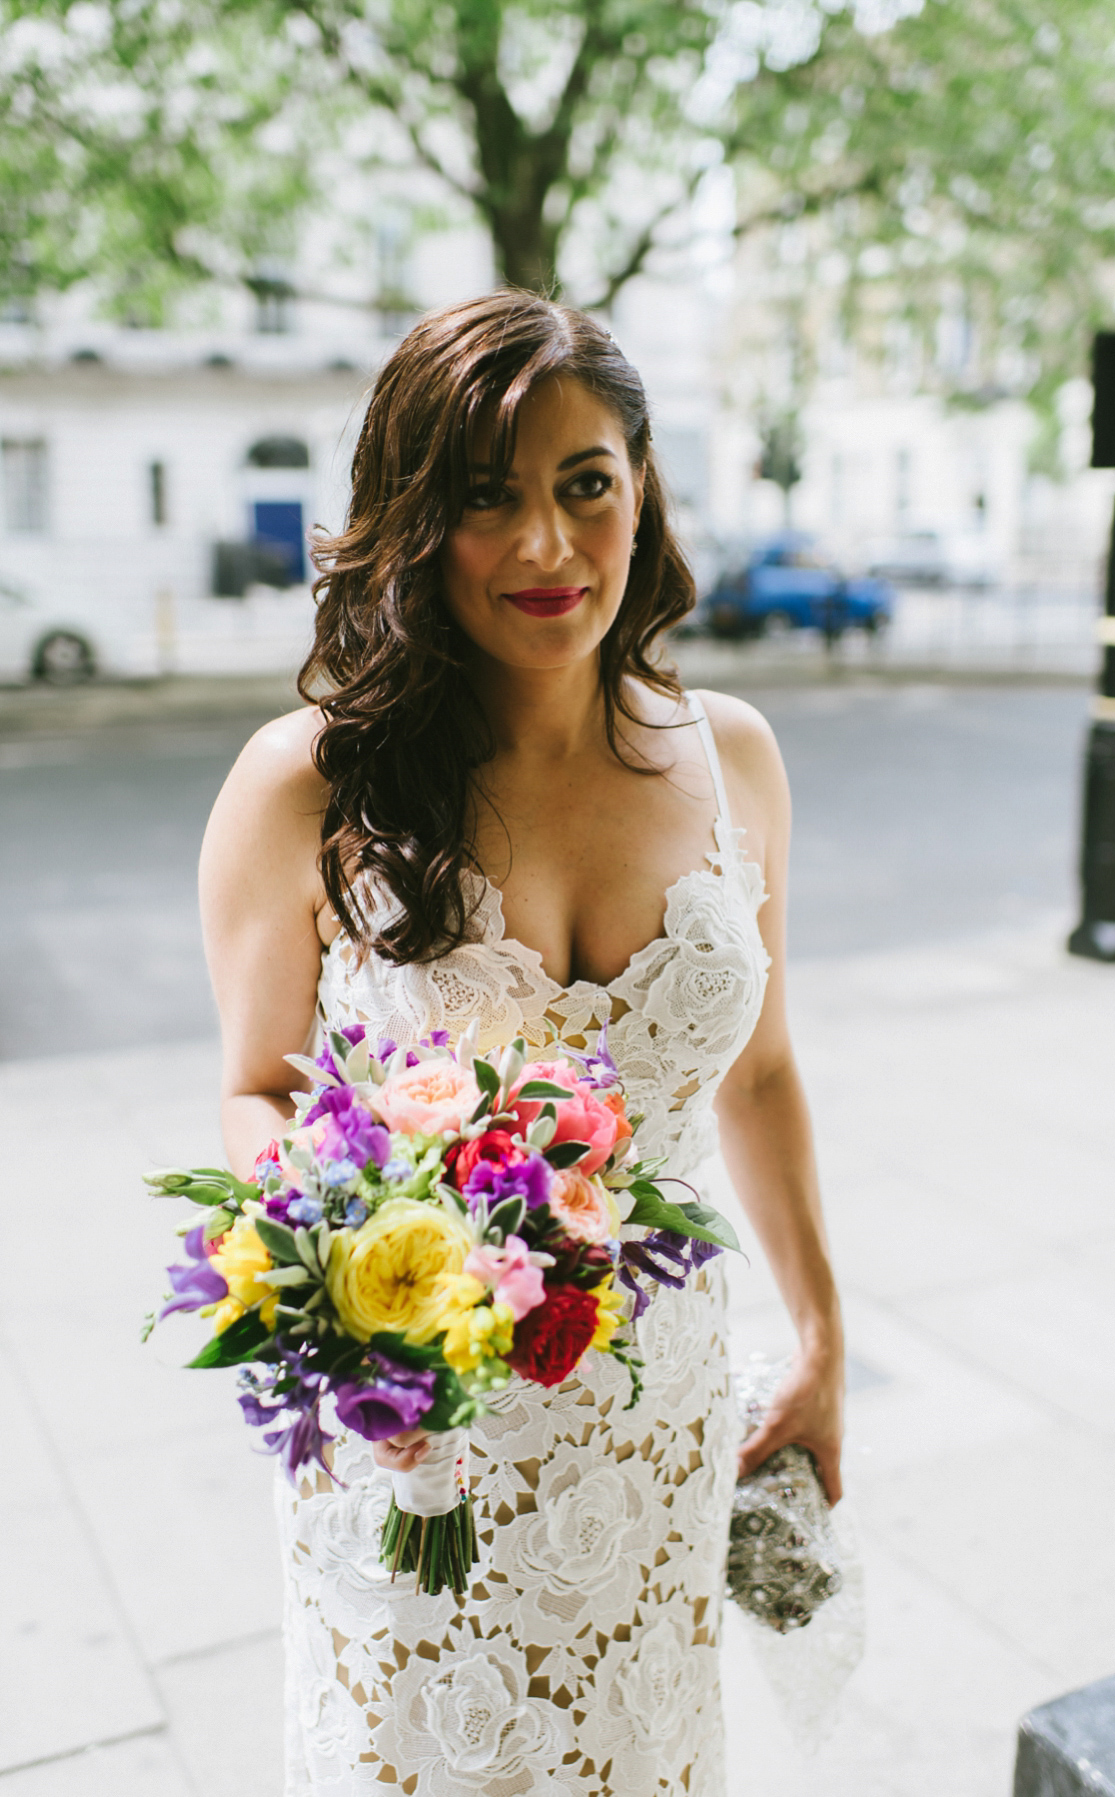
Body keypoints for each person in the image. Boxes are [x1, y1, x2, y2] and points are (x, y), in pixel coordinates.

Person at [199, 290, 843, 1796]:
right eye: (488, 498)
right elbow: (252, 1085)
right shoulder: (309, 784)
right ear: (413, 519)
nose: (550, 547)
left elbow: (757, 1068)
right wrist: (356, 1263)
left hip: (660, 1423)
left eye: (585, 486)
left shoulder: (734, 755)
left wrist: (820, 1338)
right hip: (423, 1433)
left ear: (642, 490)